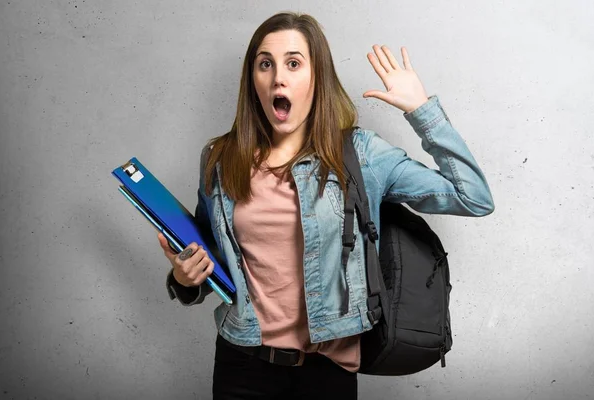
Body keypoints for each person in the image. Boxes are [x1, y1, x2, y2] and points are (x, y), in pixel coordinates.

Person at [157, 11, 494, 400]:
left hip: (326, 370)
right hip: (241, 363)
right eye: (265, 64)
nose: (278, 76)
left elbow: (473, 197)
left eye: (294, 63)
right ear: (253, 79)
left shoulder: (358, 154)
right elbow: (213, 259)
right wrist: (184, 280)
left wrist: (421, 110)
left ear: (317, 78)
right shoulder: (220, 158)